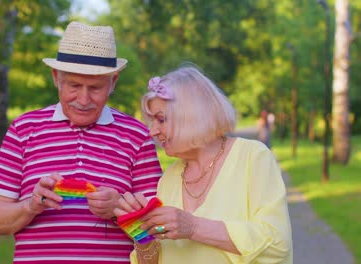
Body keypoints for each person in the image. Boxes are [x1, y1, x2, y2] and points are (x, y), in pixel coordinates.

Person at [0, 21, 163, 263]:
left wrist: (119, 210)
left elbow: (159, 235)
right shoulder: (23, 130)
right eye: (74, 85)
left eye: (95, 87)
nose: (84, 99)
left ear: (113, 82)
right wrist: (31, 206)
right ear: (56, 78)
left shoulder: (137, 136)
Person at [114, 65, 293, 263]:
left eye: (161, 120)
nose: (152, 131)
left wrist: (193, 227)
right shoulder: (169, 178)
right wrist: (142, 234)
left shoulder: (253, 157)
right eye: (152, 121)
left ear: (191, 115)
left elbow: (277, 245)